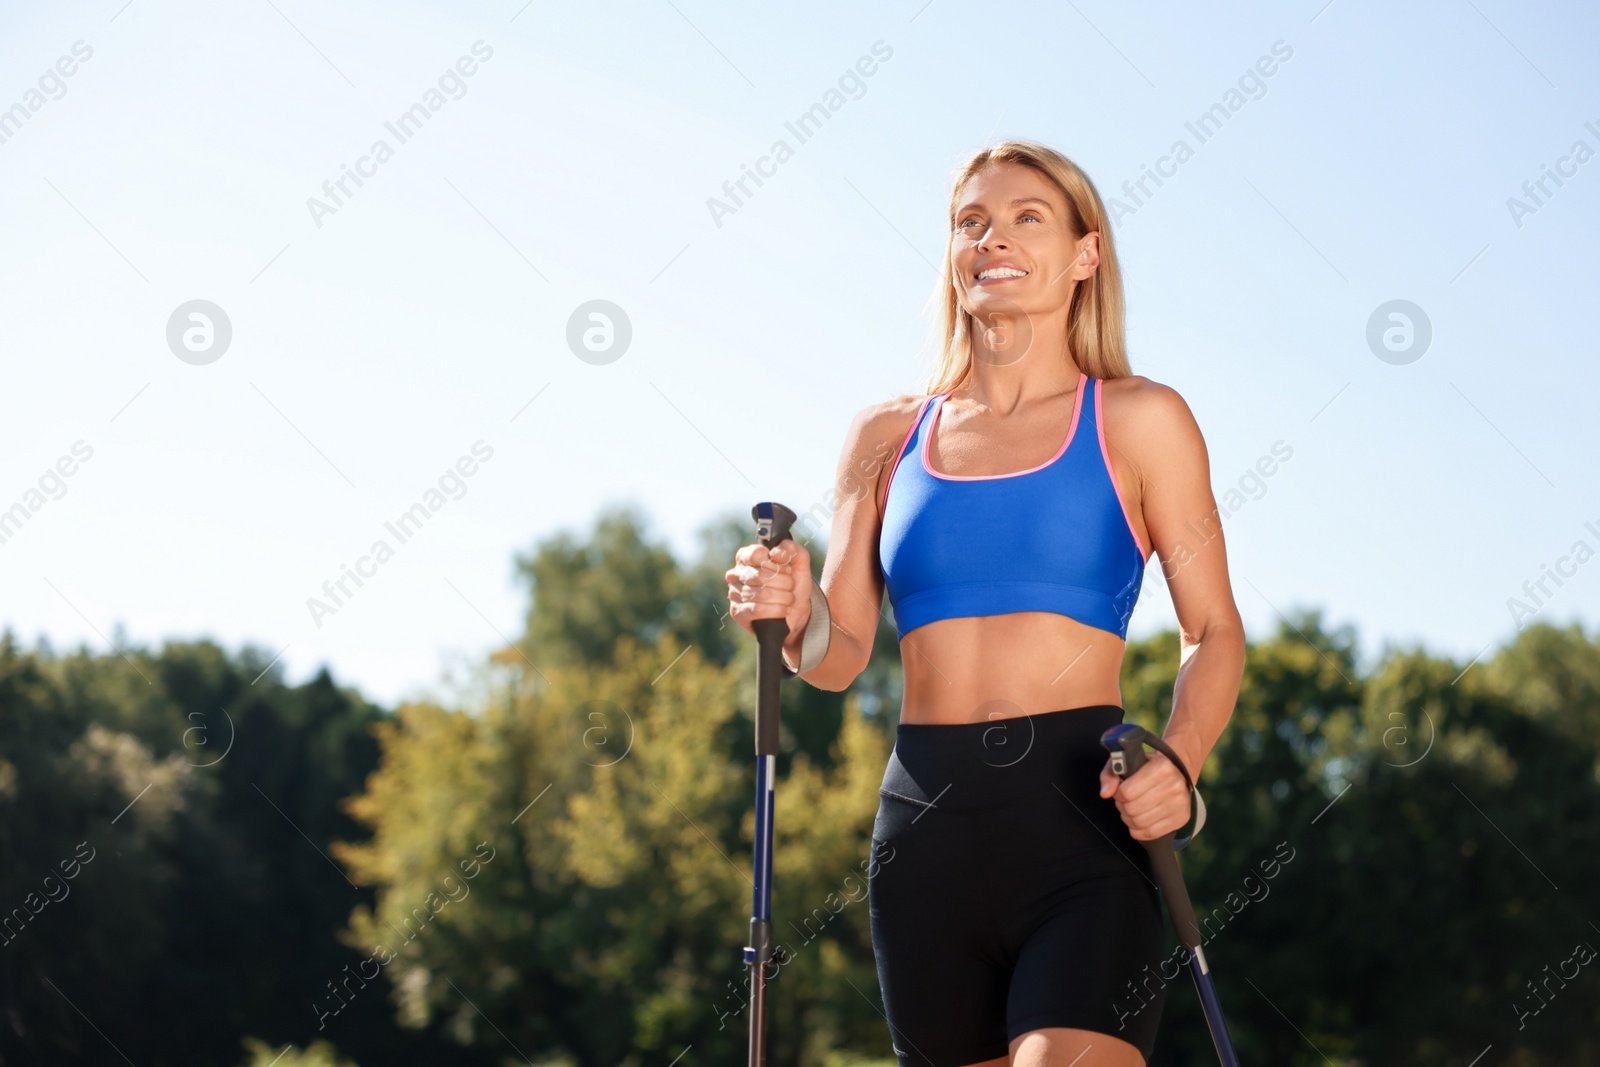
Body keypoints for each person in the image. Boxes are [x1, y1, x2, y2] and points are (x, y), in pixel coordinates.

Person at [725, 140, 1244, 1067]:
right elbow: (836, 658)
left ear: (1086, 254)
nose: (991, 238)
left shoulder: (1139, 419)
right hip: (923, 837)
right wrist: (794, 608)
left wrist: (1182, 761)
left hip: (1081, 822)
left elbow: (1213, 631)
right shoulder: (887, 435)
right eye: (972, 222)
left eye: (1025, 218)